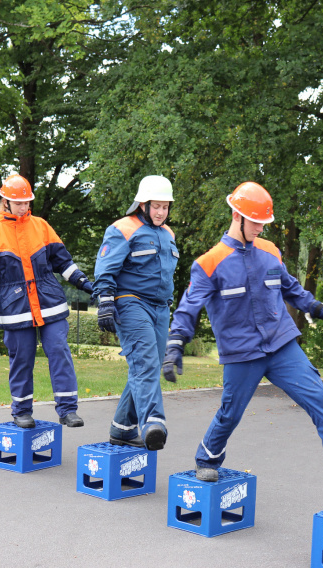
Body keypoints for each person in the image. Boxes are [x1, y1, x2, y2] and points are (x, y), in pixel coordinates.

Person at [162, 181, 323, 506]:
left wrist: (320, 310)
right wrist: (175, 343)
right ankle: (207, 458)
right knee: (230, 414)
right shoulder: (209, 262)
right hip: (242, 353)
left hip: (281, 346)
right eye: (257, 222)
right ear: (237, 215)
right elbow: (188, 307)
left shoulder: (270, 251)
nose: (261, 227)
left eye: (264, 222)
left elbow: (292, 289)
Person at [0, 174, 94, 429]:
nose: (24, 207)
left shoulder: (41, 226)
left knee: (59, 351)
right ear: (5, 202)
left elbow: (63, 262)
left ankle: (67, 410)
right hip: (15, 309)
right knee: (22, 358)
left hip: (49, 303)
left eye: (27, 203)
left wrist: (84, 284)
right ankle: (21, 411)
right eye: (18, 203)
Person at [93, 175, 179, 451]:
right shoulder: (123, 229)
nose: (160, 212)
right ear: (142, 204)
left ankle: (122, 429)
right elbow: (105, 268)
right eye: (156, 206)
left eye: (165, 207)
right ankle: (154, 422)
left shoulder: (168, 234)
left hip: (160, 307)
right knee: (146, 363)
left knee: (147, 366)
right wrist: (105, 300)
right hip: (130, 302)